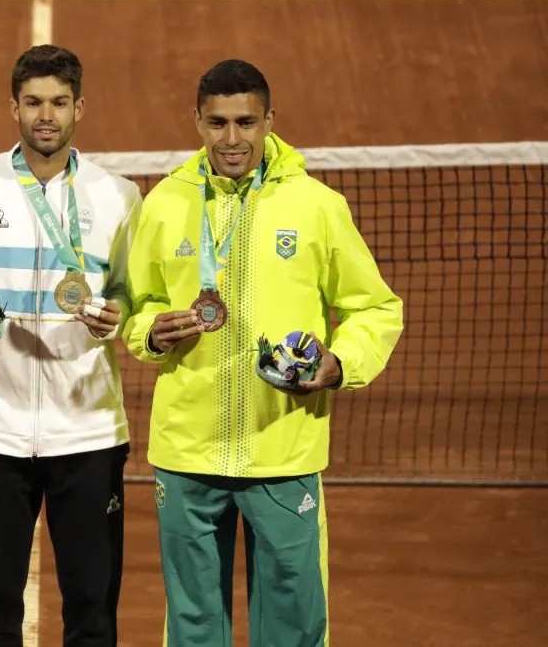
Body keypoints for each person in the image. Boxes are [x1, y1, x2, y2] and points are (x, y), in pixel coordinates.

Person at [122, 59, 404, 646]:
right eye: (217, 123)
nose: (231, 139)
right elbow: (134, 305)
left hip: (283, 451)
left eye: (246, 122)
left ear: (269, 120)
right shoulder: (164, 203)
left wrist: (340, 364)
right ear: (196, 123)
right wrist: (151, 332)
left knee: (293, 625)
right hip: (188, 451)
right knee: (194, 624)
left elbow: (375, 309)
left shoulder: (316, 206)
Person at [0, 45, 142, 647]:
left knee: (92, 611)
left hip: (89, 433)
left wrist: (120, 316)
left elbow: (136, 294)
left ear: (80, 106)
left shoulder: (120, 195)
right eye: (33, 103)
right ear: (14, 108)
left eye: (58, 102)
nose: (45, 116)